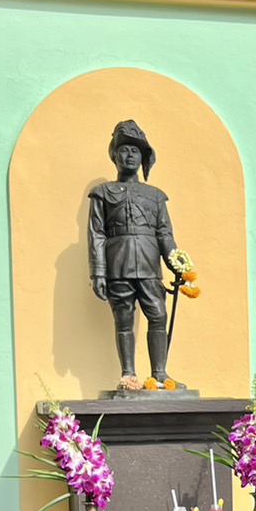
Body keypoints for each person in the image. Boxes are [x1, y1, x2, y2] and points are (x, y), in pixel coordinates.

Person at [88, 119, 182, 388]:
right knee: (124, 319)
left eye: (135, 151)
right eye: (124, 150)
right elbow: (96, 234)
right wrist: (98, 272)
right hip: (118, 265)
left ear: (143, 158)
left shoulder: (156, 196)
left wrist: (177, 264)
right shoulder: (103, 193)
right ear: (114, 156)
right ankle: (128, 374)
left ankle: (160, 373)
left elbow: (164, 233)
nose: (129, 155)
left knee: (158, 316)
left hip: (150, 265)